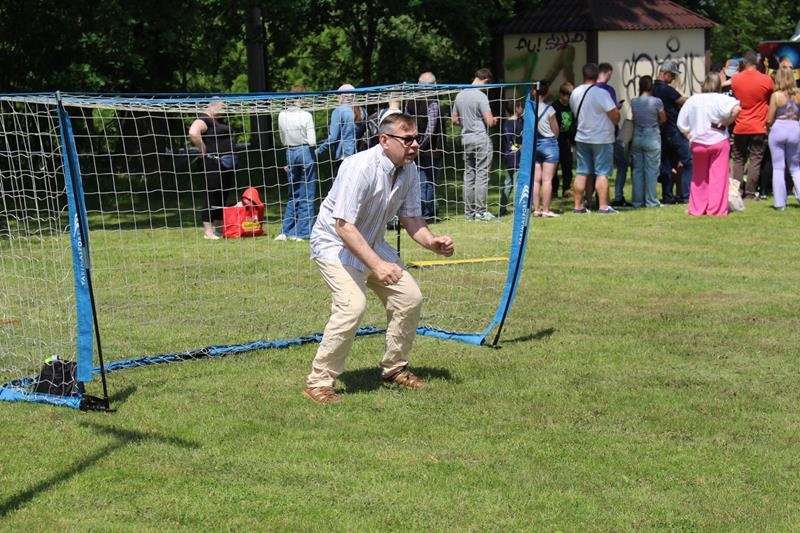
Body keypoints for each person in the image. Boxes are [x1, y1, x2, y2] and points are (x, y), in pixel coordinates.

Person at [303, 111, 455, 404]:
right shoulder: (359, 167)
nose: (415, 144)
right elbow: (343, 226)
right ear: (384, 140)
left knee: (409, 297)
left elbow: (412, 218)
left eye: (416, 138)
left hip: (371, 242)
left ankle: (394, 367)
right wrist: (377, 265)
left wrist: (432, 242)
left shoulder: (409, 170)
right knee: (352, 306)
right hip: (334, 244)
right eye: (407, 139)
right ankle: (319, 383)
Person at [677, 72, 741, 216]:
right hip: (718, 140)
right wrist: (726, 122)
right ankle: (716, 209)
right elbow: (737, 108)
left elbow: (681, 123)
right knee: (718, 176)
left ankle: (697, 208)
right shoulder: (721, 98)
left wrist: (689, 135)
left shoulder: (693, 100)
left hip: (698, 142)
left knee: (699, 177)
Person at [569, 62, 620, 214]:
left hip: (582, 137)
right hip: (602, 138)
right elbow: (615, 115)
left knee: (582, 171)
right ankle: (603, 206)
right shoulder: (601, 93)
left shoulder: (575, 92)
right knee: (602, 173)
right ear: (597, 75)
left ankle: (578, 206)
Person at [452, 68, 499, 221]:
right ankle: (481, 212)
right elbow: (489, 121)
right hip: (480, 138)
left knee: (469, 175)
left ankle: (469, 213)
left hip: (466, 139)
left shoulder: (459, 95)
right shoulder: (481, 96)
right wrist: (494, 120)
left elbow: (454, 120)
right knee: (482, 176)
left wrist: (467, 122)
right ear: (486, 81)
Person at [188, 99, 238, 240]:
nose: (224, 108)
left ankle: (220, 229)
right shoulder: (204, 119)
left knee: (222, 195)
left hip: (227, 163)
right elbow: (193, 132)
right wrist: (203, 149)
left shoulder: (219, 120)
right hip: (213, 163)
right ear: (211, 105)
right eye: (221, 106)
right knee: (212, 195)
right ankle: (208, 232)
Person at [730, 50, 774, 199]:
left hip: (740, 125)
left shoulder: (736, 79)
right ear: (757, 62)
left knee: (738, 160)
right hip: (758, 126)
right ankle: (750, 192)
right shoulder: (766, 80)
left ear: (744, 62)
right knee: (755, 159)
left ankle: (736, 191)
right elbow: (771, 98)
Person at [276, 84, 317, 241]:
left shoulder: (281, 115)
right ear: (301, 98)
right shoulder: (306, 115)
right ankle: (303, 232)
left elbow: (282, 138)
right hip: (305, 150)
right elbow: (312, 141)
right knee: (308, 192)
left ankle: (286, 231)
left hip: (290, 151)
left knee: (293, 193)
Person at [653, 59, 692, 204]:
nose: (674, 78)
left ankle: (667, 196)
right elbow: (683, 101)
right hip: (673, 131)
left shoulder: (653, 89)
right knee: (689, 161)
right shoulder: (666, 89)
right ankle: (685, 195)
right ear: (664, 74)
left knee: (666, 165)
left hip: (661, 132)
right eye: (673, 75)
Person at [406, 71, 443, 222]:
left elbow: (407, 125)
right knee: (428, 182)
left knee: (421, 181)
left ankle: (424, 212)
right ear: (434, 84)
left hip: (416, 148)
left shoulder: (410, 102)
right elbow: (431, 130)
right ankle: (427, 214)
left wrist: (411, 144)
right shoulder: (432, 103)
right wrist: (420, 146)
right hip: (430, 150)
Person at [597, 63, 631, 207]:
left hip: (594, 134)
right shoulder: (608, 90)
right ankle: (617, 196)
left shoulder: (590, 89)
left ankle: (591, 198)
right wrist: (617, 107)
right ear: (608, 73)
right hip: (610, 134)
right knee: (621, 164)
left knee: (595, 168)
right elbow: (612, 111)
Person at [766, 67, 800, 210]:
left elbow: (769, 119)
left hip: (778, 128)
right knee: (796, 167)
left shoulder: (776, 96)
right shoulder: (798, 94)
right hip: (794, 128)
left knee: (778, 167)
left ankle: (780, 203)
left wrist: (767, 127)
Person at [630, 76, 666, 208]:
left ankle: (637, 201)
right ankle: (651, 200)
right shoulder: (657, 102)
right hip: (652, 135)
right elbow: (663, 118)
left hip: (637, 135)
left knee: (637, 170)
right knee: (651, 170)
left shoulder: (634, 101)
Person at [316, 83, 366, 169]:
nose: (337, 97)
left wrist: (318, 150)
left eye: (338, 95)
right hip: (359, 155)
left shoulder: (339, 111)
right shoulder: (363, 111)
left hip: (343, 157)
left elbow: (333, 138)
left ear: (343, 96)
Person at [532, 80, 561, 217]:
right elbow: (556, 130)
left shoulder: (529, 109)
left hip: (534, 144)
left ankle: (536, 209)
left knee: (536, 180)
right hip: (549, 144)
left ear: (533, 92)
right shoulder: (550, 109)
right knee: (547, 180)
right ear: (547, 93)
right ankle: (546, 210)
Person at [500, 98, 523, 216]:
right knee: (517, 184)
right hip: (517, 157)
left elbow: (507, 143)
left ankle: (502, 208)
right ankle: (517, 209)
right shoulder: (518, 125)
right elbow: (515, 143)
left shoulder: (505, 124)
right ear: (516, 109)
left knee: (507, 183)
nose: (522, 109)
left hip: (507, 156)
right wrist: (519, 147)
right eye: (521, 106)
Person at [552, 82, 574, 198]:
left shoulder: (572, 106)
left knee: (567, 165)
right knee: (554, 166)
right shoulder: (554, 107)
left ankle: (566, 188)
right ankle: (554, 189)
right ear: (561, 94)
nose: (569, 98)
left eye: (571, 95)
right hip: (556, 140)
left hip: (567, 140)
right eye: (567, 95)